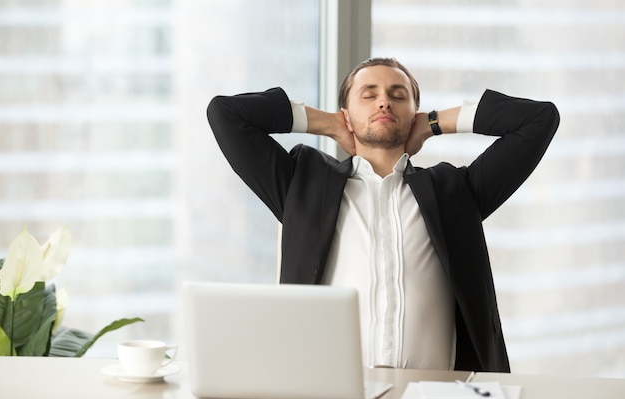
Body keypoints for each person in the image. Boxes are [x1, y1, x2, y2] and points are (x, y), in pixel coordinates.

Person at [207, 57, 560, 373]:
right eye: (368, 93)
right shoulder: (302, 184)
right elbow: (226, 114)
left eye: (398, 95)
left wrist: (435, 123)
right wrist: (327, 124)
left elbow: (538, 119)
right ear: (345, 112)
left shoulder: (455, 191)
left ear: (414, 113)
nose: (384, 101)